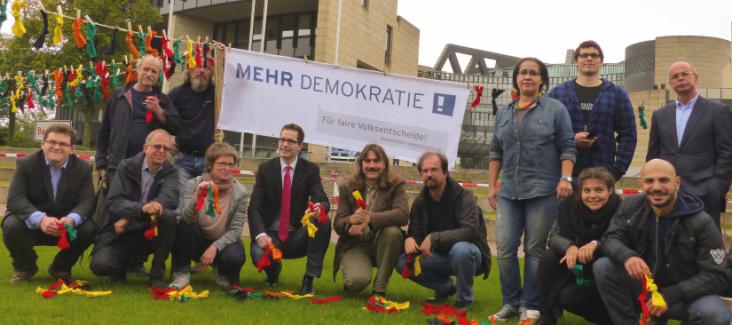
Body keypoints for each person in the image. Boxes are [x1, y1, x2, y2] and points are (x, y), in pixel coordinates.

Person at [488, 57, 576, 322]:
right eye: (523, 72)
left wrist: (566, 179)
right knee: (504, 249)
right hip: (508, 193)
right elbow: (495, 151)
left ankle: (530, 305)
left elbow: (568, 146)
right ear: (516, 78)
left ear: (542, 80)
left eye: (533, 73)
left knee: (535, 250)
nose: (527, 76)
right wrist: (492, 186)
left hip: (542, 191)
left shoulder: (555, 109)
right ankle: (510, 304)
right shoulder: (504, 112)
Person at [593, 159, 730, 325]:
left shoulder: (701, 221)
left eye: (664, 180)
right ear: (641, 184)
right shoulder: (630, 205)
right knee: (603, 267)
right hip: (646, 287)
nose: (656, 187)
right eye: (649, 181)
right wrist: (628, 256)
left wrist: (672, 295)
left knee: (714, 314)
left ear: (677, 183)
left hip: (685, 295)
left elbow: (717, 275)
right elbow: (610, 238)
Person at [395, 152, 491, 311]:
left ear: (445, 173)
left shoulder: (464, 196)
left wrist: (434, 238)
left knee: (461, 250)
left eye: (434, 170)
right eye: (425, 171)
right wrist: (410, 239)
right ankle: (445, 287)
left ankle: (464, 300)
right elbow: (416, 233)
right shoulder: (420, 201)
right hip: (438, 257)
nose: (429, 174)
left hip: (471, 256)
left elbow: (470, 231)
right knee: (401, 262)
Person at [2, 124, 95, 283]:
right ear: (42, 144)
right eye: (52, 142)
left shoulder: (83, 169)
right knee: (11, 225)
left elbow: (87, 201)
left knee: (89, 228)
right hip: (33, 224)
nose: (56, 147)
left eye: (63, 144)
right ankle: (25, 268)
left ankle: (60, 268)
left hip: (65, 226)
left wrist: (72, 219)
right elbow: (15, 199)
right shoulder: (26, 164)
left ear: (72, 149)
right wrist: (41, 220)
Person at [647, 61, 732, 228]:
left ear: (696, 78)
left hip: (705, 195)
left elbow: (726, 153)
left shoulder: (718, 111)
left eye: (685, 74)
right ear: (671, 83)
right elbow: (653, 156)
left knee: (704, 248)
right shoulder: (660, 115)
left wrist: (716, 189)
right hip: (668, 194)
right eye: (675, 76)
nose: (680, 78)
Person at [90, 129, 179, 287]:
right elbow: (114, 202)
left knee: (169, 217)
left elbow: (170, 199)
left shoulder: (171, 171)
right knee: (101, 266)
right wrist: (143, 208)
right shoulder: (126, 167)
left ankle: (157, 275)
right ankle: (122, 266)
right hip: (121, 232)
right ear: (145, 148)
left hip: (148, 231)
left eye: (166, 148)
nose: (162, 151)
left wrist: (131, 217)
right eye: (157, 146)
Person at [248, 123, 330, 295]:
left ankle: (309, 279)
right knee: (257, 255)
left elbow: (321, 199)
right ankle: (273, 274)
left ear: (300, 146)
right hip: (271, 234)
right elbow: (255, 206)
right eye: (282, 139)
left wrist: (319, 208)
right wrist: (260, 234)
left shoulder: (310, 170)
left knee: (323, 221)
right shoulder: (265, 169)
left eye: (291, 141)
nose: (285, 144)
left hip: (297, 235)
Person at [536, 167, 620, 325]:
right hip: (577, 269)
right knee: (549, 258)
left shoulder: (620, 209)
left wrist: (596, 245)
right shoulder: (568, 206)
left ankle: (609, 318)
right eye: (587, 190)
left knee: (572, 296)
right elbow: (553, 236)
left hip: (607, 274)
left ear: (610, 190)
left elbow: (620, 240)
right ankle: (546, 317)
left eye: (599, 190)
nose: (592, 196)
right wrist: (570, 247)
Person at [547, 41, 637, 180]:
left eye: (594, 55)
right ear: (576, 60)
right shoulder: (558, 93)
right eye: (584, 55)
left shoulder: (617, 94)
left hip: (601, 173)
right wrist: (572, 140)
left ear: (601, 61)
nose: (589, 58)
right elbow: (545, 132)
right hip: (563, 176)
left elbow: (629, 135)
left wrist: (617, 170)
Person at [169, 143, 249, 289]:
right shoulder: (193, 184)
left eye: (230, 164)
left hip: (221, 243)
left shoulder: (241, 192)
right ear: (210, 165)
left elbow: (236, 231)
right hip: (196, 239)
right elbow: (186, 219)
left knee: (235, 256)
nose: (227, 168)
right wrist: (197, 196)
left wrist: (215, 247)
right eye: (222, 164)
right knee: (183, 227)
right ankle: (182, 273)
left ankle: (221, 271)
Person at [333, 144, 408, 297]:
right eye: (367, 161)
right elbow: (338, 223)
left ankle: (379, 289)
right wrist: (350, 220)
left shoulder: (395, 185)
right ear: (361, 164)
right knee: (356, 282)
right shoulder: (348, 186)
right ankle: (354, 277)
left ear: (384, 164)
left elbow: (403, 214)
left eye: (376, 161)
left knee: (392, 232)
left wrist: (370, 219)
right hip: (355, 244)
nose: (372, 165)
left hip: (382, 242)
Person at [96, 54, 182, 181]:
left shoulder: (163, 100)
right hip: (118, 164)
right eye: (146, 69)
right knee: (115, 200)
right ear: (138, 70)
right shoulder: (119, 95)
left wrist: (158, 110)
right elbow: (105, 131)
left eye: (154, 71)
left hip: (150, 167)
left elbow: (176, 127)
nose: (149, 74)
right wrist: (100, 163)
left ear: (158, 75)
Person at [169, 65, 216, 185]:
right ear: (189, 70)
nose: (201, 71)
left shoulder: (217, 93)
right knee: (183, 200)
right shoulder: (177, 93)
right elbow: (161, 118)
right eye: (198, 66)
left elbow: (240, 84)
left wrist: (223, 55)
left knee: (206, 201)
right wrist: (167, 140)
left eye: (206, 67)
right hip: (182, 159)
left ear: (212, 73)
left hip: (209, 161)